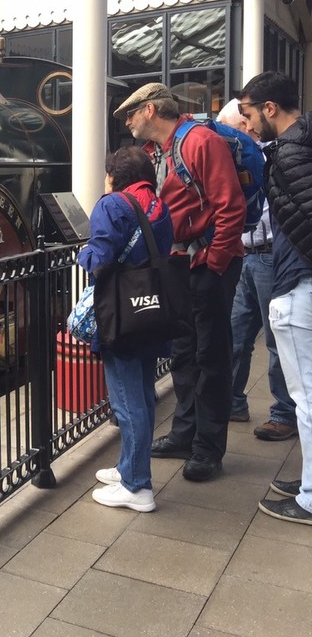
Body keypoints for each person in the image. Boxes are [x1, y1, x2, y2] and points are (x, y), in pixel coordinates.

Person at [113, 83, 246, 482]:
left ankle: (208, 448)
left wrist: (215, 262)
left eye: (131, 113)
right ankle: (186, 435)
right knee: (186, 353)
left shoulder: (201, 142)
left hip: (207, 265)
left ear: (150, 109)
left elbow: (231, 207)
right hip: (183, 264)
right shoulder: (163, 150)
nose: (127, 121)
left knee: (211, 355)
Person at [78, 146, 174, 512]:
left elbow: (98, 260)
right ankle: (128, 468)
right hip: (151, 310)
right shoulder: (158, 204)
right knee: (144, 395)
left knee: (126, 399)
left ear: (115, 176)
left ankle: (137, 487)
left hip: (121, 313)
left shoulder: (112, 204)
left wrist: (81, 253)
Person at [238, 71, 312, 525]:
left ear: (269, 109)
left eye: (248, 115)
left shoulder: (290, 152)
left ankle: (311, 497)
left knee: (307, 398)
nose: (247, 126)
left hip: (298, 284)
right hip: (299, 280)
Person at [215, 100, 298, 439]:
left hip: (266, 255)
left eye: (232, 128)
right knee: (235, 334)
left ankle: (284, 413)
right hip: (244, 254)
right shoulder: (236, 159)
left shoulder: (267, 156)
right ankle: (233, 402)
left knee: (277, 338)